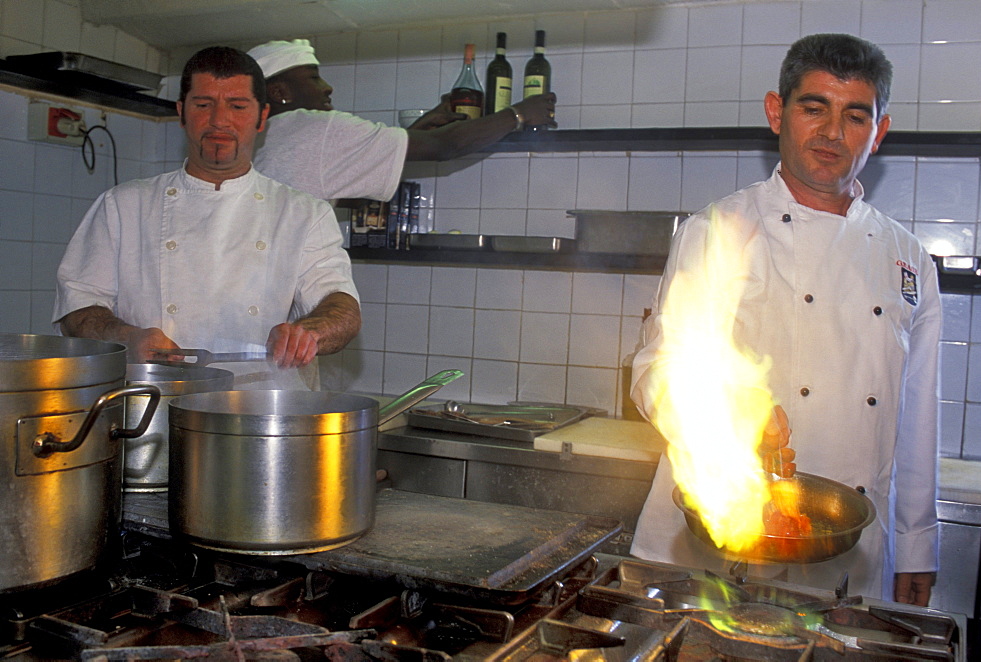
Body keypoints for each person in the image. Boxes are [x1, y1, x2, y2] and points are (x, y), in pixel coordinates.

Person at [630, 33, 940, 607]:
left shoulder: (908, 258)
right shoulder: (720, 229)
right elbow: (657, 370)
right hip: (718, 552)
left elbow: (917, 417)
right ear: (778, 112)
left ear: (880, 131)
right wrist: (730, 414)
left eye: (855, 116)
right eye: (813, 107)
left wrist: (918, 545)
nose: (831, 133)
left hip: (853, 556)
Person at [53, 46, 361, 390]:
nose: (219, 120)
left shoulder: (304, 213)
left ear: (262, 118)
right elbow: (77, 309)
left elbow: (342, 307)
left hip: (264, 416)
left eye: (237, 106)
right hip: (153, 408)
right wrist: (126, 336)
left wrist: (309, 333)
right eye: (203, 105)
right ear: (182, 113)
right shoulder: (123, 205)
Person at [247, 39, 557, 202]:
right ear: (280, 92)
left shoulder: (264, 138)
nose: (327, 87)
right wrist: (518, 114)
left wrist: (411, 134)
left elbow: (339, 169)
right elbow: (446, 145)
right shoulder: (312, 126)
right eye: (314, 79)